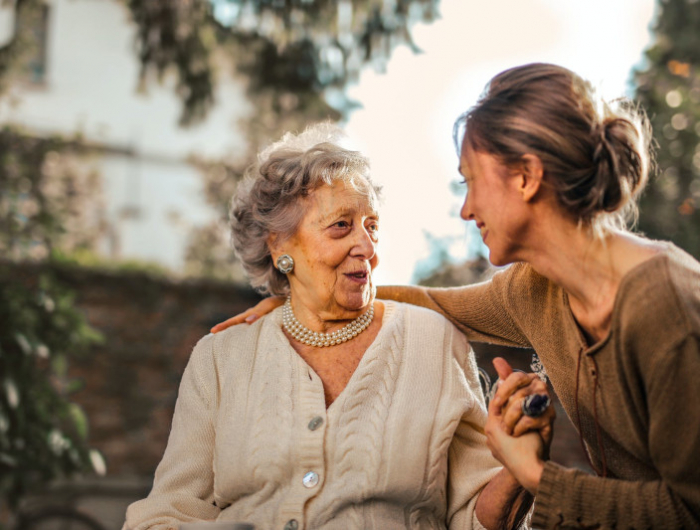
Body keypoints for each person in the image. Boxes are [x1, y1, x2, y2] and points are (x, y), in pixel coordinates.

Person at [212, 64, 700, 529]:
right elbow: (434, 303)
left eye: (471, 181)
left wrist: (536, 478)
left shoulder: (666, 305)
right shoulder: (535, 290)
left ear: (526, 177)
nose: (466, 210)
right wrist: (306, 296)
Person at [124, 124, 540, 530]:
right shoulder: (220, 358)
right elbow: (169, 512)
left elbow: (476, 519)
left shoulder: (434, 342)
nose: (368, 247)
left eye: (371, 226)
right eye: (341, 225)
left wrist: (519, 469)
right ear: (279, 244)